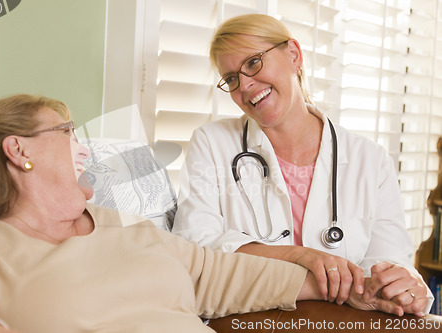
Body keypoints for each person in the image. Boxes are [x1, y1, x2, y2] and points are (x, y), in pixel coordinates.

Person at [0, 94, 401, 333]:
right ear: (18, 149)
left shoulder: (129, 229)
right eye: (66, 131)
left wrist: (359, 290)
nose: (83, 148)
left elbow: (231, 276)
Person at [172, 13, 432, 316]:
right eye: (231, 78)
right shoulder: (212, 143)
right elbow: (196, 251)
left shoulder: (370, 160)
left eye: (253, 63)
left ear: (294, 55)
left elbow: (388, 263)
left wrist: (400, 285)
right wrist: (300, 256)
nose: (244, 85)